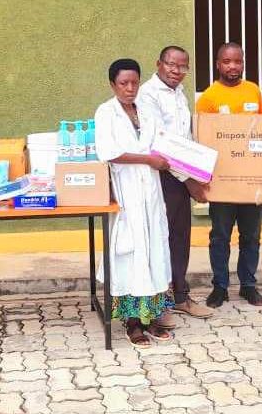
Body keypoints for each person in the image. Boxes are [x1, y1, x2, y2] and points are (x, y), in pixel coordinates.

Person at [95, 59, 174, 348]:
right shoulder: (106, 113)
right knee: (131, 256)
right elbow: (109, 151)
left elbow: (161, 142)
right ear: (112, 84)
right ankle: (132, 323)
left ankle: (151, 318)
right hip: (127, 191)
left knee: (154, 251)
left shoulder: (147, 110)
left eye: (134, 83)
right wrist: (147, 160)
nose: (130, 89)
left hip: (151, 190)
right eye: (123, 83)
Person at [137, 46, 212, 322]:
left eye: (182, 67)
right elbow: (161, 143)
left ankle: (180, 296)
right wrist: (190, 180)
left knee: (180, 237)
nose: (176, 71)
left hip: (182, 175)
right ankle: (161, 302)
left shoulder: (179, 94)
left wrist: (199, 174)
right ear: (158, 64)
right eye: (171, 65)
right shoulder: (148, 95)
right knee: (161, 238)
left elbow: (186, 138)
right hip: (162, 176)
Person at [195, 42, 262, 309]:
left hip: (252, 181)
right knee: (220, 237)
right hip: (222, 181)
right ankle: (220, 287)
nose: (233, 66)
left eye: (237, 61)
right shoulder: (209, 98)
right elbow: (202, 140)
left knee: (251, 236)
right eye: (227, 61)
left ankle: (248, 285)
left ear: (244, 63)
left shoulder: (253, 91)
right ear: (218, 64)